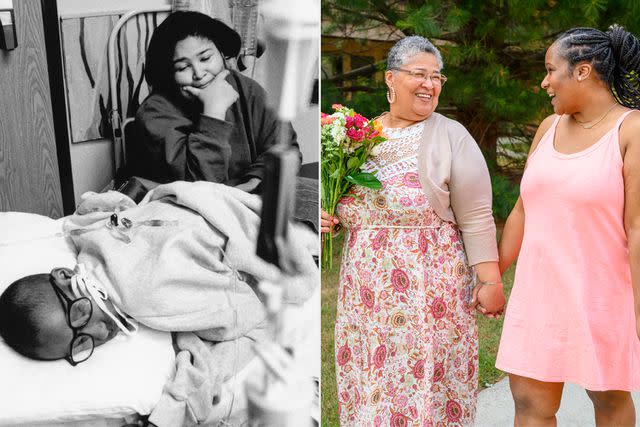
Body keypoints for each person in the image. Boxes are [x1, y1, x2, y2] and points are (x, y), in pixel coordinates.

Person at [0, 181, 318, 427]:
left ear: (64, 275)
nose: (100, 330)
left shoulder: (134, 287)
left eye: (80, 313)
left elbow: (248, 312)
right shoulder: (89, 241)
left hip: (261, 222)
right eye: (82, 343)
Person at [321, 36, 505, 426]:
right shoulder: (356, 137)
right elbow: (340, 204)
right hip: (366, 299)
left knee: (427, 387)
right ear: (390, 79)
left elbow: (475, 216)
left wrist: (488, 280)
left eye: (437, 77)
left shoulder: (451, 136)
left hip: (429, 296)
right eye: (419, 74)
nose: (430, 84)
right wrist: (325, 218)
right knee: (373, 385)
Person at [496, 24, 640, 426]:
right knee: (529, 405)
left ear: (582, 71)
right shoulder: (548, 128)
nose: (544, 82)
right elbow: (523, 210)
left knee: (609, 400)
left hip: (602, 295)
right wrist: (494, 274)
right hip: (538, 295)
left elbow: (638, 226)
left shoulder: (631, 130)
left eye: (550, 70)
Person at [130, 11, 299, 193]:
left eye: (205, 58)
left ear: (221, 53)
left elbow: (285, 147)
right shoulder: (154, 112)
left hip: (248, 194)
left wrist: (253, 181)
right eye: (183, 67)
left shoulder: (246, 89)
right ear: (169, 73)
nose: (199, 73)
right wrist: (213, 112)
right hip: (183, 207)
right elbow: (198, 189)